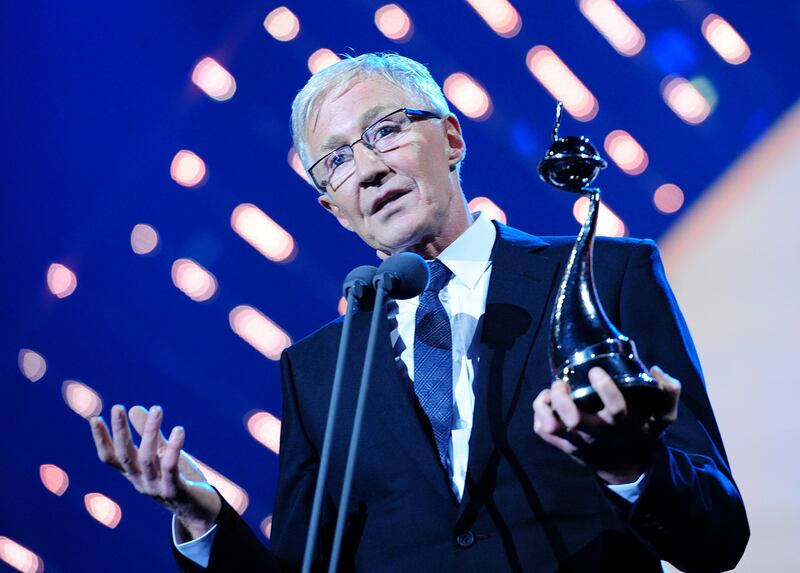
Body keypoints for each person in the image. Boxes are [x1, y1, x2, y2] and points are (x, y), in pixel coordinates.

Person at [90, 53, 749, 572]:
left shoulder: (606, 274)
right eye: (337, 161)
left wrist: (629, 465)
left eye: (384, 130)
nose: (369, 170)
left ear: (452, 139)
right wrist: (203, 517)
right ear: (333, 207)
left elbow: (718, 534)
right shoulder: (317, 370)